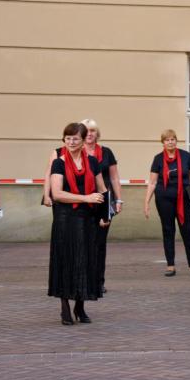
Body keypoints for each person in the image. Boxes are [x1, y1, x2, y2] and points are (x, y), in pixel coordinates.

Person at [48, 122, 109, 325]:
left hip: (88, 219)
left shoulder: (92, 162)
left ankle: (80, 307)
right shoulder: (59, 162)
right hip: (65, 219)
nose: (71, 142)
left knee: (86, 262)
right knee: (65, 261)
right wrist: (86, 198)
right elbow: (57, 194)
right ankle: (65, 307)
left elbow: (102, 190)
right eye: (67, 138)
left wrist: (104, 215)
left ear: (83, 141)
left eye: (75, 139)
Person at [144, 129, 190, 277]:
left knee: (187, 231)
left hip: (184, 199)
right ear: (163, 142)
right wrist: (146, 202)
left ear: (176, 140)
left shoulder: (186, 156)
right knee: (168, 231)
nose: (170, 142)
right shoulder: (158, 159)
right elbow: (152, 182)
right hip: (164, 200)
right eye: (167, 140)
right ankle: (170, 266)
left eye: (173, 139)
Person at [81, 118, 123, 294]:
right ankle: (83, 279)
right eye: (87, 131)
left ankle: (98, 281)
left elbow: (114, 178)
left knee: (99, 243)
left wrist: (118, 200)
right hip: (82, 201)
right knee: (82, 242)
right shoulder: (76, 152)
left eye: (93, 131)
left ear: (97, 134)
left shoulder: (106, 152)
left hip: (104, 202)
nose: (90, 134)